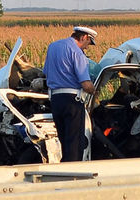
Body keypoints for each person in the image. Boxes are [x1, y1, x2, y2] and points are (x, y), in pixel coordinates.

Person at [43, 26, 97, 162]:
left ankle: (64, 167)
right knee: (74, 142)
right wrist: (94, 91)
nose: (87, 47)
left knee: (64, 140)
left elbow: (45, 72)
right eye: (88, 43)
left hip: (55, 100)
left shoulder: (53, 47)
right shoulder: (77, 53)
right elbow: (85, 84)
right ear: (84, 37)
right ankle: (73, 174)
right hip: (72, 101)